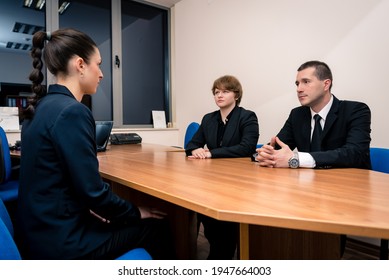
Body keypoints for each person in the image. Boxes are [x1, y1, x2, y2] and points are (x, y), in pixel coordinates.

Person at [16, 28, 174, 260]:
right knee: (154, 227)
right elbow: (94, 193)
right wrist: (136, 211)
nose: (101, 74)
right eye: (98, 64)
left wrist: (93, 209)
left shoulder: (40, 108)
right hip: (62, 241)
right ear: (80, 65)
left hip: (37, 232)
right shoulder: (73, 112)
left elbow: (62, 182)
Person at [185, 75, 259, 259]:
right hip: (211, 179)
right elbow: (192, 145)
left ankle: (222, 252)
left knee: (223, 232)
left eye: (225, 91)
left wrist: (210, 153)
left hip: (237, 182)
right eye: (216, 92)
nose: (219, 95)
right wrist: (196, 150)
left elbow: (246, 148)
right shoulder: (209, 118)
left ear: (236, 95)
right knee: (203, 214)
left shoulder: (247, 116)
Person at [254, 60, 371, 169]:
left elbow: (355, 153)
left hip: (349, 184)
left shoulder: (356, 110)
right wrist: (265, 153)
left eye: (306, 82)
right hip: (308, 184)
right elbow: (279, 148)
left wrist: (297, 159)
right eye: (297, 83)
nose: (299, 89)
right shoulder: (297, 114)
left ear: (326, 84)